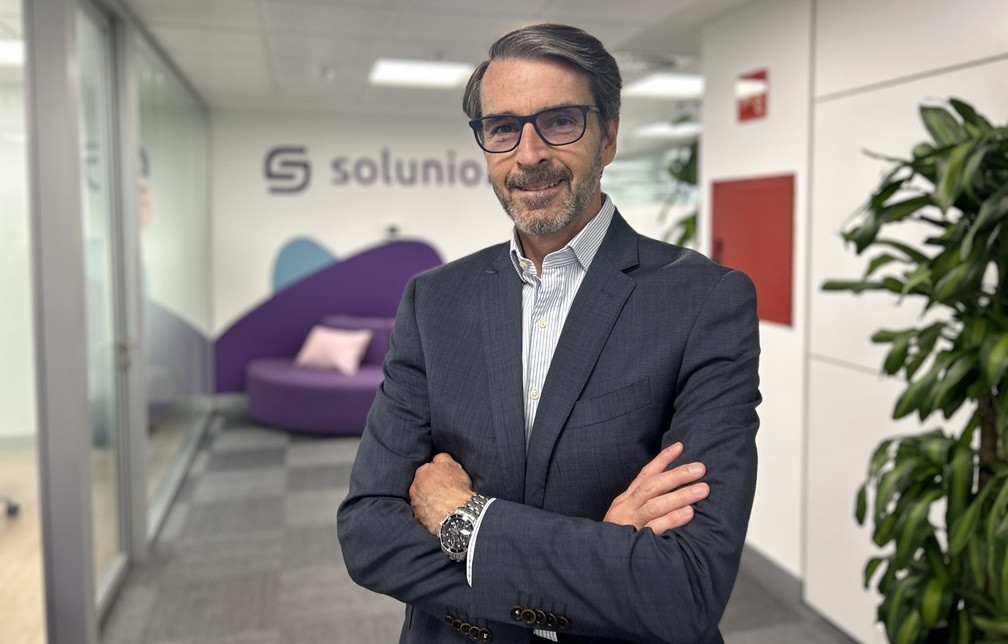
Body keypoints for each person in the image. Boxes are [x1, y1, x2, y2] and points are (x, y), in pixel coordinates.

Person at [337, 23, 760, 644]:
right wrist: (599, 561)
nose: (529, 154)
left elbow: (685, 585)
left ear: (608, 136)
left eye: (560, 121)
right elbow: (369, 534)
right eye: (503, 128)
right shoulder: (434, 301)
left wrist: (464, 521)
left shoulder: (703, 300)